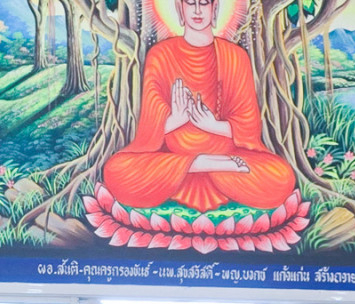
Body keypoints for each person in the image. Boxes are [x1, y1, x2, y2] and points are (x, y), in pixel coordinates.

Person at [102, 0, 298, 216]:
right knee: (116, 171)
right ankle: (202, 163)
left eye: (204, 3)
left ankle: (198, 166)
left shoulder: (235, 57)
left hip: (226, 156)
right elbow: (148, 133)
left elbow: (249, 127)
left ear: (214, 9)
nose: (197, 10)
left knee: (281, 177)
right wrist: (176, 119)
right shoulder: (160, 55)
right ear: (179, 8)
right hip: (183, 159)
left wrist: (213, 125)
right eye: (190, 3)